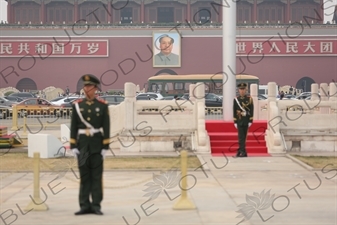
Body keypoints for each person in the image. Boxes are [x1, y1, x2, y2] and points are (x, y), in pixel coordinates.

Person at [70, 74, 110, 216]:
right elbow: (74, 126)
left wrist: (105, 147)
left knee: (96, 177)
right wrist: (73, 145)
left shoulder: (102, 106)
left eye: (90, 86)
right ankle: (84, 205)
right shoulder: (77, 106)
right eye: (85, 86)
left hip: (97, 146)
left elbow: (106, 126)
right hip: (82, 146)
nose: (87, 89)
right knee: (84, 176)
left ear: (95, 89)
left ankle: (96, 205)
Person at [233, 83, 254, 157]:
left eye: (243, 89)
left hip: (246, 120)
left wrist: (251, 120)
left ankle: (241, 151)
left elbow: (251, 110)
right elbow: (234, 110)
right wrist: (235, 121)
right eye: (240, 89)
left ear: (245, 90)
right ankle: (242, 151)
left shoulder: (249, 99)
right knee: (241, 137)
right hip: (239, 120)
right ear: (238, 90)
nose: (242, 91)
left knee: (244, 137)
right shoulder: (236, 100)